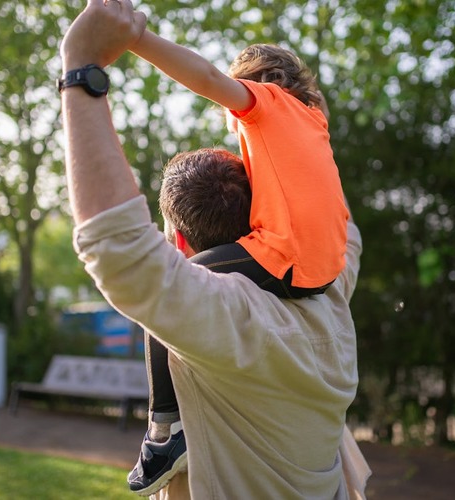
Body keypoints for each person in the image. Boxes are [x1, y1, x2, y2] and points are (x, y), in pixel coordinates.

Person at [59, 0, 366, 498]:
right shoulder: (333, 288)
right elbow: (335, 212)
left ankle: (166, 429)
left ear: (176, 238)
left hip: (275, 263)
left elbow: (125, 257)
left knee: (157, 315)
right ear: (254, 219)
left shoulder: (221, 314)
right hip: (309, 271)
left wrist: (90, 60)